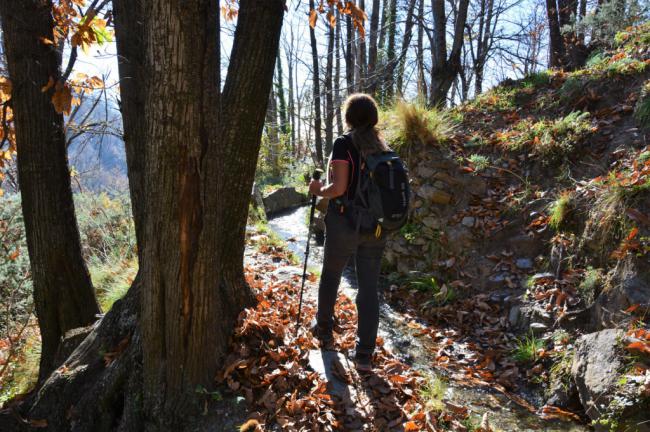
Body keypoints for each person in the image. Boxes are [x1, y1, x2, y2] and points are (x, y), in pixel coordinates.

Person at [308, 93, 390, 372]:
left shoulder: (344, 144)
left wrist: (318, 190)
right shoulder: (383, 147)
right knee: (368, 287)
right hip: (377, 227)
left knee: (331, 275)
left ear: (349, 117)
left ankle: (324, 328)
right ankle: (365, 354)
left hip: (345, 222)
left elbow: (339, 188)